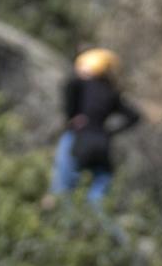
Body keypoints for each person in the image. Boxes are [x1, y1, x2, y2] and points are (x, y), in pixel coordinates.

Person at [48, 47, 140, 207]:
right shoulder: (111, 93)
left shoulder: (81, 83)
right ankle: (100, 222)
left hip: (79, 139)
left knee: (62, 191)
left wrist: (71, 117)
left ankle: (64, 224)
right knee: (98, 194)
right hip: (102, 144)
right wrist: (110, 132)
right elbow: (135, 116)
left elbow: (69, 85)